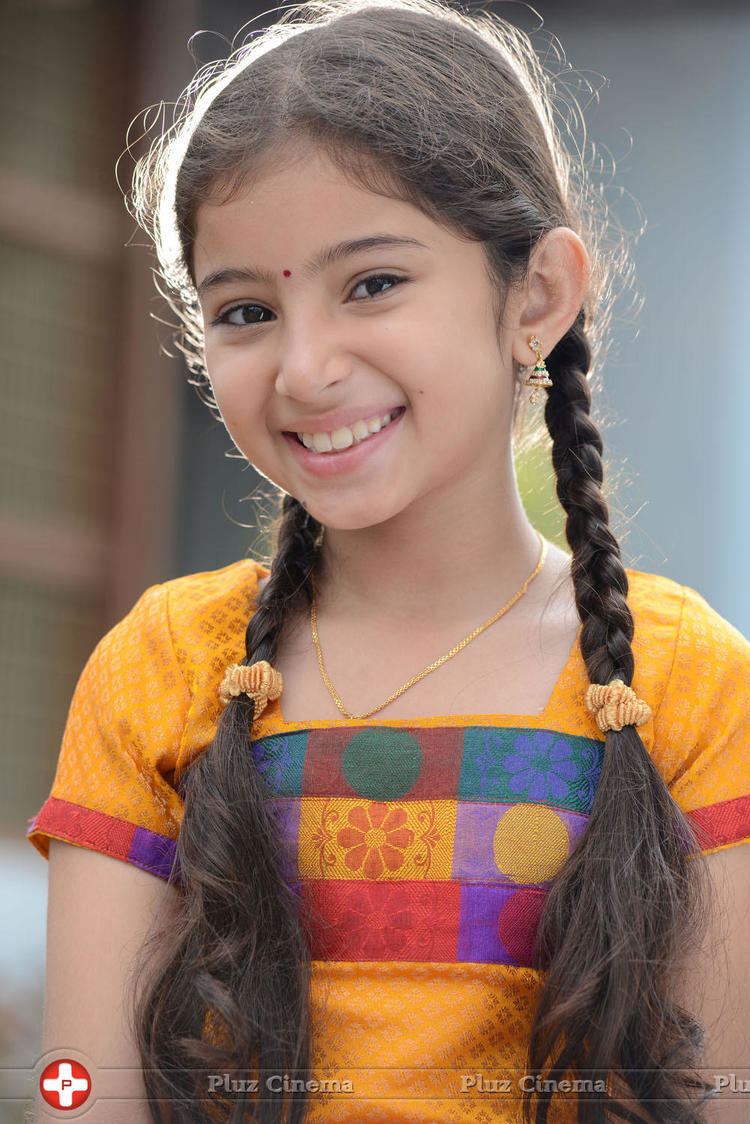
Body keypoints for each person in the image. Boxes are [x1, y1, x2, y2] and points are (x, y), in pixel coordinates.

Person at [26, 0, 750, 1121]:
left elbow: (718, 1092)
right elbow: (78, 1091)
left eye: (372, 283)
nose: (307, 368)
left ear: (538, 296)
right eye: (247, 309)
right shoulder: (163, 665)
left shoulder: (688, 683)